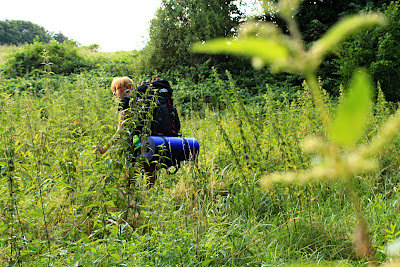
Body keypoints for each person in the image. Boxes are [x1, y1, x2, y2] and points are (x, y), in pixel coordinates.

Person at [94, 76, 157, 189]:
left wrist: (104, 149)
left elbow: (120, 132)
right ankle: (149, 202)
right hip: (152, 144)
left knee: (126, 184)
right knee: (150, 184)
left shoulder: (125, 103)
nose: (115, 94)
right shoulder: (144, 101)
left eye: (116, 89)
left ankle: (130, 203)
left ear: (127, 87)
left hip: (134, 147)